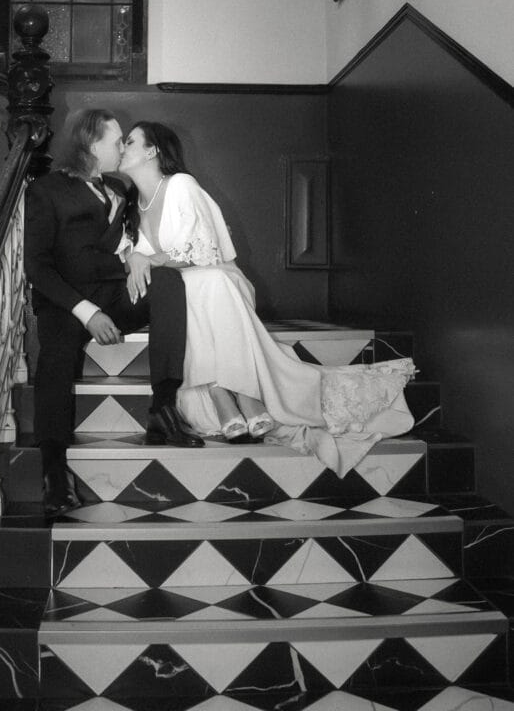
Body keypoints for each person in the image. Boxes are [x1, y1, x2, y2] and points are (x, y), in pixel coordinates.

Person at [118, 120, 417, 477]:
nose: (123, 147)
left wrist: (147, 259)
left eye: (130, 141)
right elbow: (137, 262)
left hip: (219, 278)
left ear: (152, 150)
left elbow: (201, 249)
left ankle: (233, 393)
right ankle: (230, 392)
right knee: (185, 291)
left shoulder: (181, 185)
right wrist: (134, 256)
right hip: (187, 293)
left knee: (207, 282)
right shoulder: (134, 203)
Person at [25, 109, 203, 520]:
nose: (123, 147)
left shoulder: (119, 189)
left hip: (113, 295)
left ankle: (163, 407)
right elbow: (37, 266)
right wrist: (87, 313)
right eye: (116, 139)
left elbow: (127, 244)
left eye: (126, 141)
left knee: (170, 285)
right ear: (91, 143)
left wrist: (137, 259)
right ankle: (53, 471)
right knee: (53, 361)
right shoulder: (47, 190)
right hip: (65, 304)